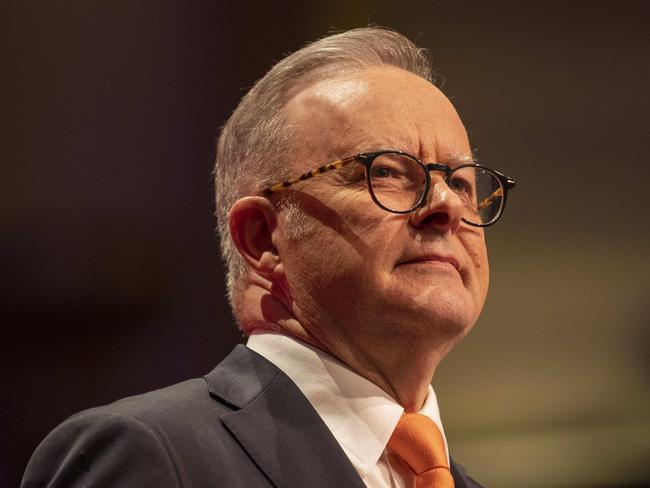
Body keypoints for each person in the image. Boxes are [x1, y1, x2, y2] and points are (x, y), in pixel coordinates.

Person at [21, 27, 515, 488]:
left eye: (460, 182)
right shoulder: (152, 456)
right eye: (385, 171)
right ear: (263, 239)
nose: (446, 206)